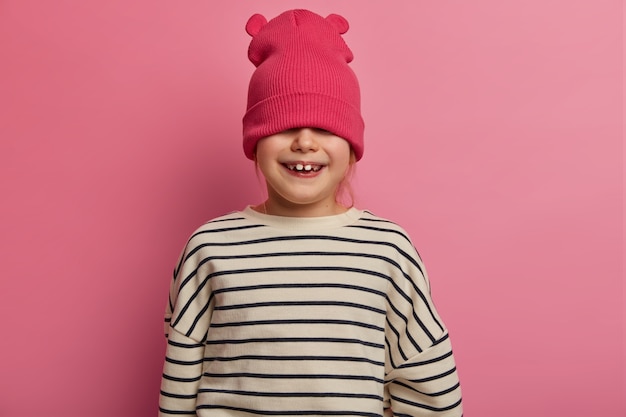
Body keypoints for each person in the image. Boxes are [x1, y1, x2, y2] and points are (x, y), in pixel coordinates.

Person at [158, 9, 463, 417]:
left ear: (352, 144)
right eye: (284, 125)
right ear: (254, 140)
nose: (305, 142)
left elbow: (428, 381)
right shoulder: (210, 247)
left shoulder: (388, 250)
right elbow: (181, 374)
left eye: (324, 127)